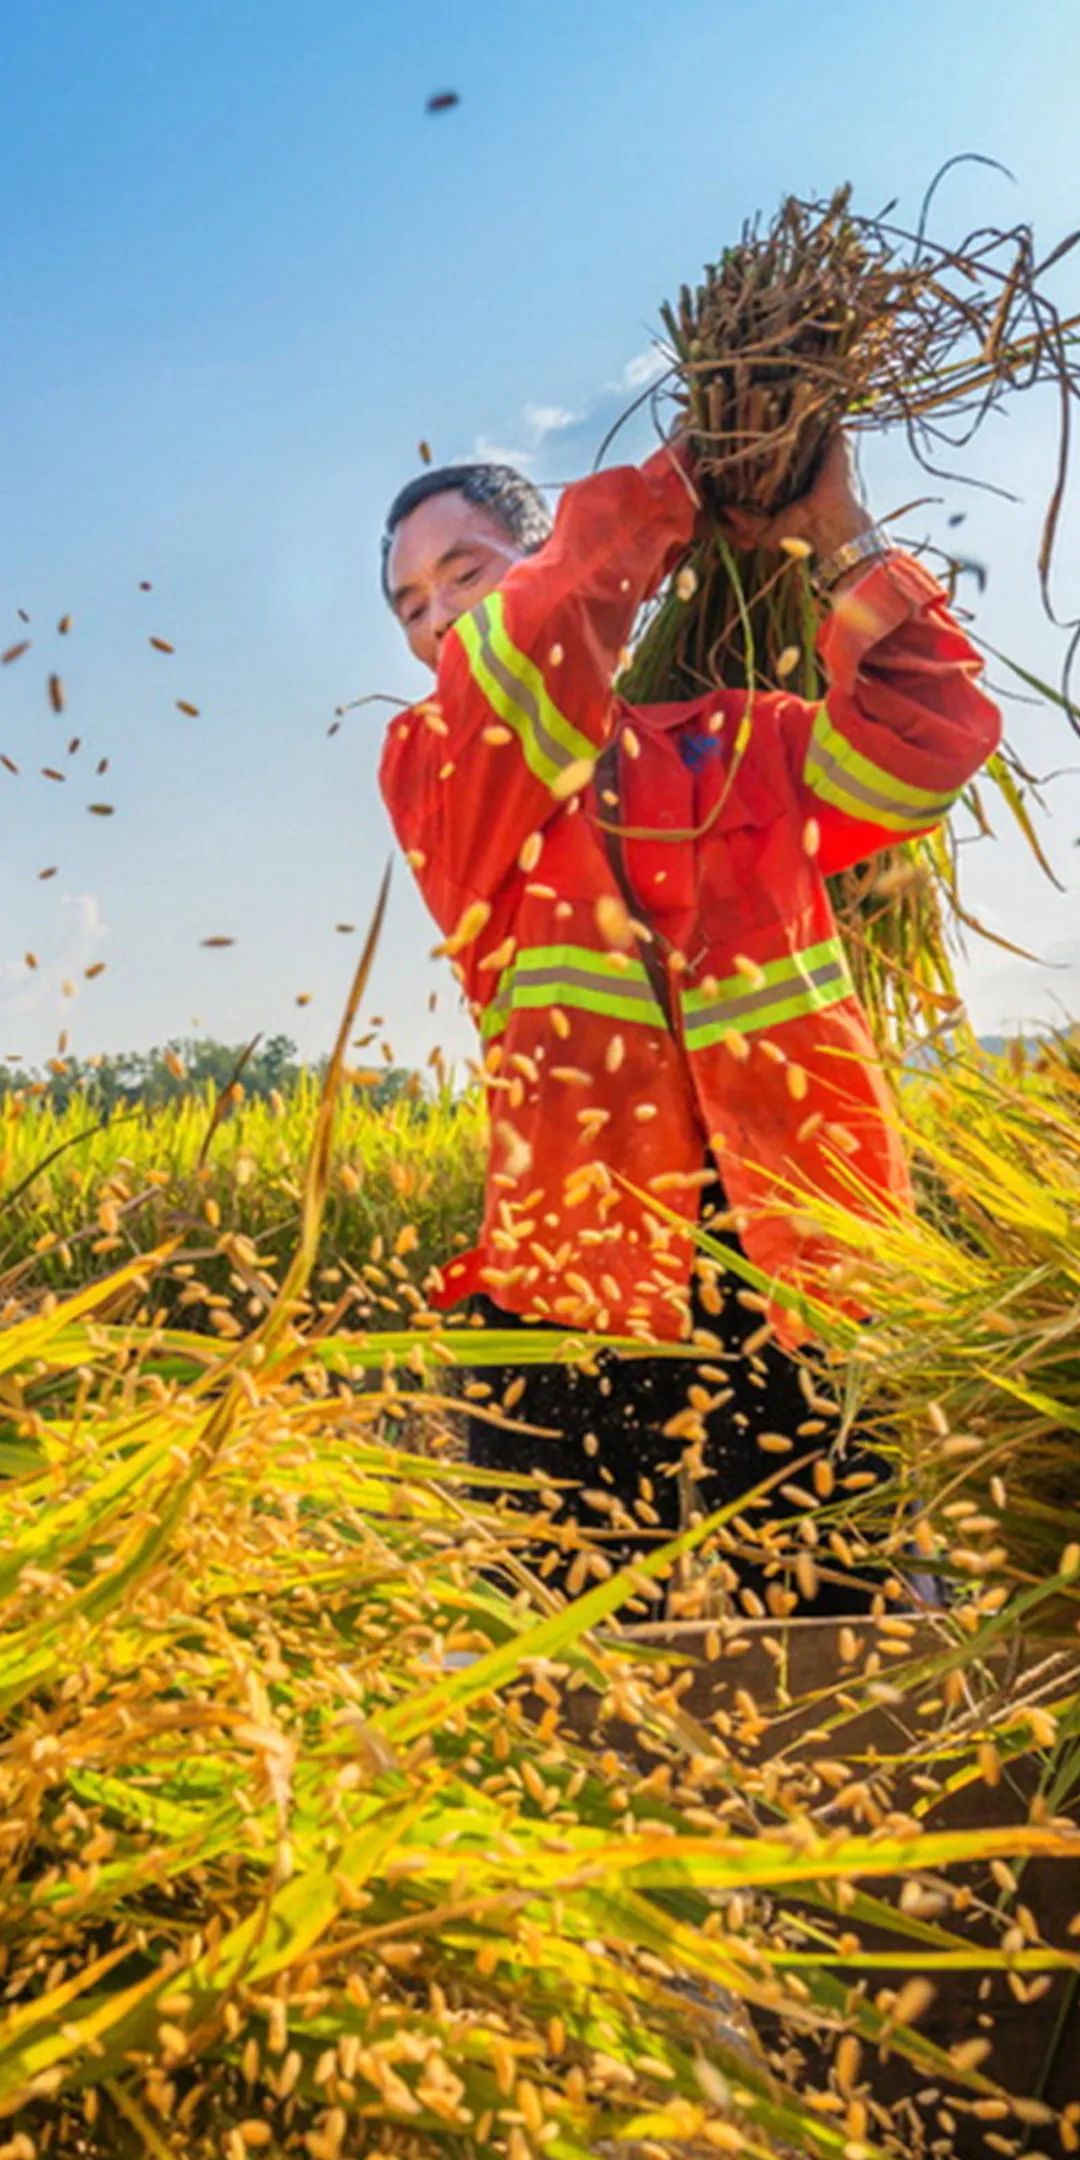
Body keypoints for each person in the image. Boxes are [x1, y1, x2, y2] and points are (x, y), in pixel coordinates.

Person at [377, 432, 1000, 1608]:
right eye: (411, 605)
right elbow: (538, 642)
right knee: (576, 1687)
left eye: (467, 573)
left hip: (799, 1272)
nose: (441, 617)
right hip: (575, 1286)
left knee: (845, 1649)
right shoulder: (440, 765)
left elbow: (927, 749)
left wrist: (835, 531)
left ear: (538, 551)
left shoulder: (742, 745)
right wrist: (680, 483)